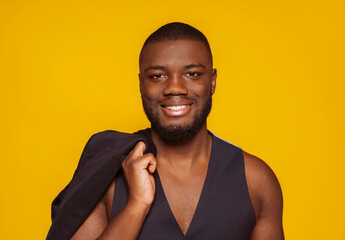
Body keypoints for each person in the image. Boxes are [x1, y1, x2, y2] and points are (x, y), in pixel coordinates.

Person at [53, 22, 284, 240]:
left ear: (212, 81)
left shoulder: (256, 181)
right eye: (157, 76)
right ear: (141, 84)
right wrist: (136, 205)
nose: (174, 88)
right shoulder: (107, 174)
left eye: (192, 74)